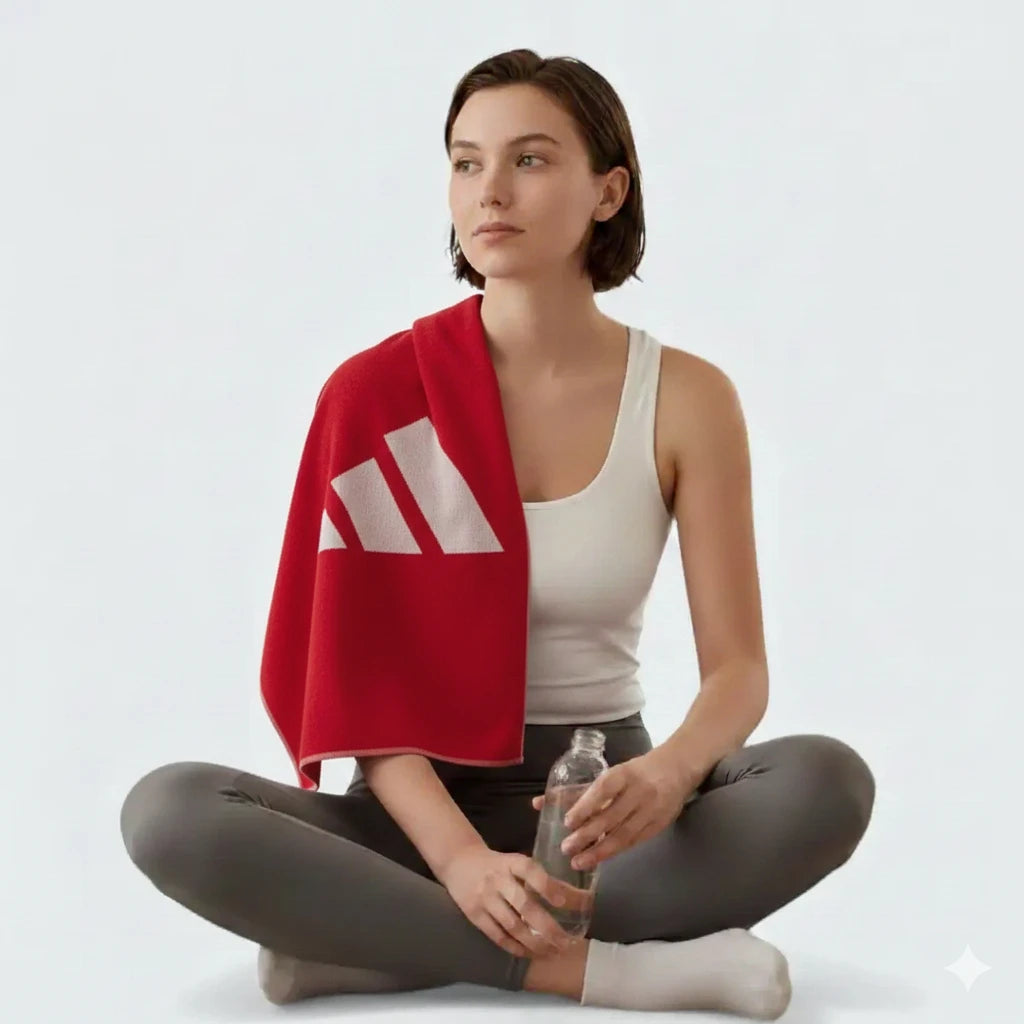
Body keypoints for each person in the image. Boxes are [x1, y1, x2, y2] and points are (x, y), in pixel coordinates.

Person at [119, 49, 875, 1018]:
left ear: (607, 191)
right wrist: (460, 862)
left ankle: (374, 944)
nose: (490, 191)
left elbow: (738, 671)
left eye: (529, 159)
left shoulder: (687, 397)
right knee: (171, 811)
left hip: (600, 810)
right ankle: (598, 969)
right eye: (466, 162)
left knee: (824, 781)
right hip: (416, 812)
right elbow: (357, 686)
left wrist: (666, 773)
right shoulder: (373, 395)